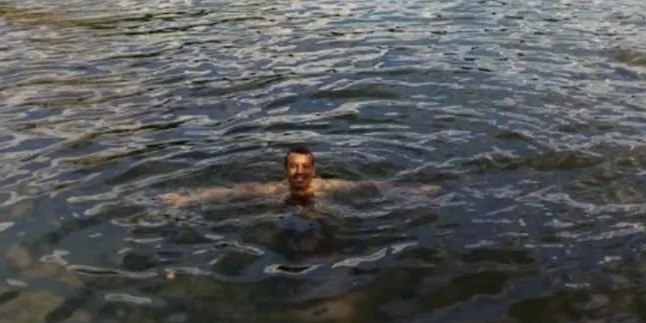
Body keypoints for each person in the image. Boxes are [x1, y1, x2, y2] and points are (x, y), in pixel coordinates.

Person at [158, 146, 439, 207]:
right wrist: (185, 199)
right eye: (294, 166)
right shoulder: (272, 190)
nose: (300, 171)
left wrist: (413, 191)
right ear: (286, 171)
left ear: (313, 170)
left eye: (305, 167)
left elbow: (372, 185)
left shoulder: (328, 186)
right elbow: (229, 192)